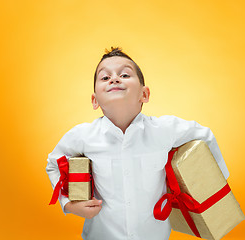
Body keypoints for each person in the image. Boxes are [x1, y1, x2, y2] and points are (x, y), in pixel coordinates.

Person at [46, 47, 230, 240]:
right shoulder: (83, 135)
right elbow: (53, 162)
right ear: (94, 100)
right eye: (105, 77)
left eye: (124, 74)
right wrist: (68, 203)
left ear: (145, 94)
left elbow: (205, 136)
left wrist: (213, 186)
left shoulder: (164, 130)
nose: (115, 79)